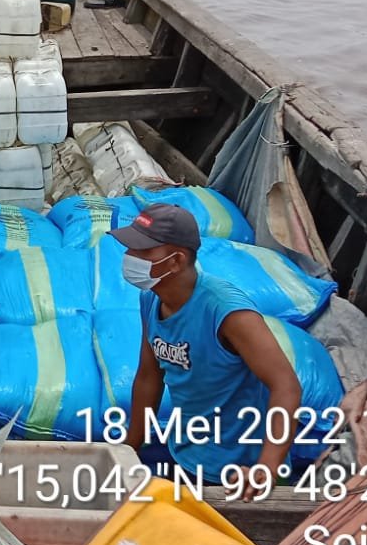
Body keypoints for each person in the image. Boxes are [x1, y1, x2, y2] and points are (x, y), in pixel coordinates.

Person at [115, 203, 304, 483]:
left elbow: (286, 386)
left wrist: (266, 468)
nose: (130, 257)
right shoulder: (152, 298)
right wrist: (129, 448)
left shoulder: (228, 312)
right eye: (130, 249)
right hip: (186, 453)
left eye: (142, 251)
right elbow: (148, 377)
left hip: (237, 471)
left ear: (176, 260)